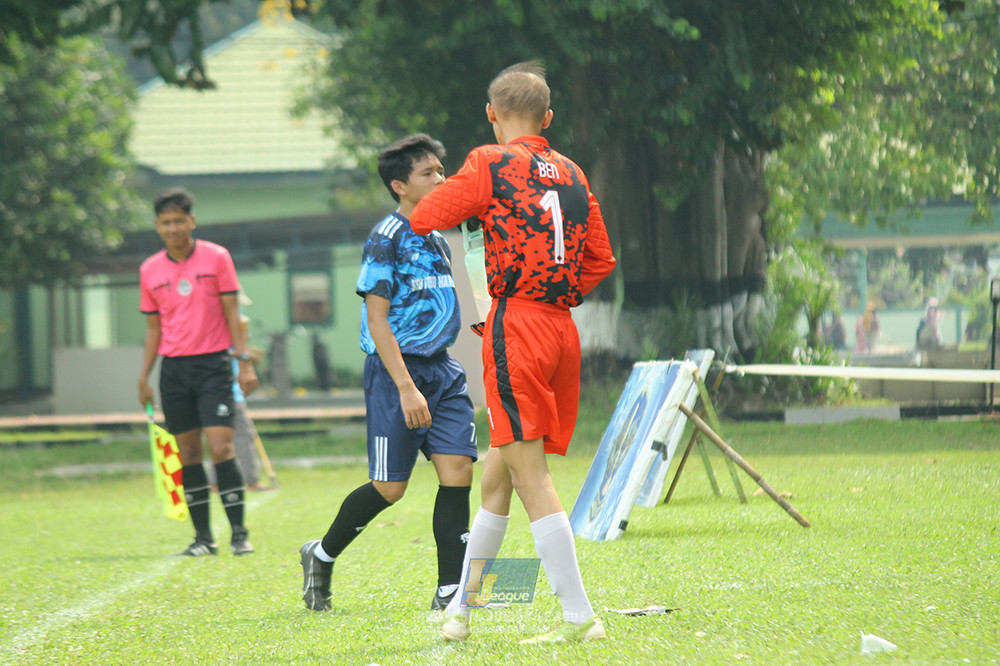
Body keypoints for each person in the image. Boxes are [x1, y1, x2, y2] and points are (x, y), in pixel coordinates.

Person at [410, 61, 617, 644]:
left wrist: (471, 199)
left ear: (491, 114)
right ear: (548, 119)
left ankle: (580, 618)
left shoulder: (488, 161)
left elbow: (427, 216)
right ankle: (462, 610)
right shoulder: (573, 172)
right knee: (496, 477)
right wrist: (560, 289)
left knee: (529, 473)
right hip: (559, 326)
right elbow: (600, 258)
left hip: (516, 325)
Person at [298, 134, 478, 613]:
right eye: (428, 173)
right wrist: (406, 388)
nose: (441, 178)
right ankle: (320, 554)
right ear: (400, 185)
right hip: (396, 374)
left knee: (457, 471)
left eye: (442, 170)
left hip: (443, 370)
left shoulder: (438, 235)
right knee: (390, 488)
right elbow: (377, 319)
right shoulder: (387, 238)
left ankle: (450, 592)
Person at [138, 187, 259, 556]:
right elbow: (154, 330)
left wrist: (244, 363)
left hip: (214, 366)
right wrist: (144, 376)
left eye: (179, 220)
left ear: (191, 221)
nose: (173, 228)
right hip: (174, 371)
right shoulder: (149, 270)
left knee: (221, 447)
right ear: (158, 226)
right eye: (165, 222)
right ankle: (203, 539)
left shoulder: (216, 257)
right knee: (187, 453)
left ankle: (239, 534)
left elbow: (232, 314)